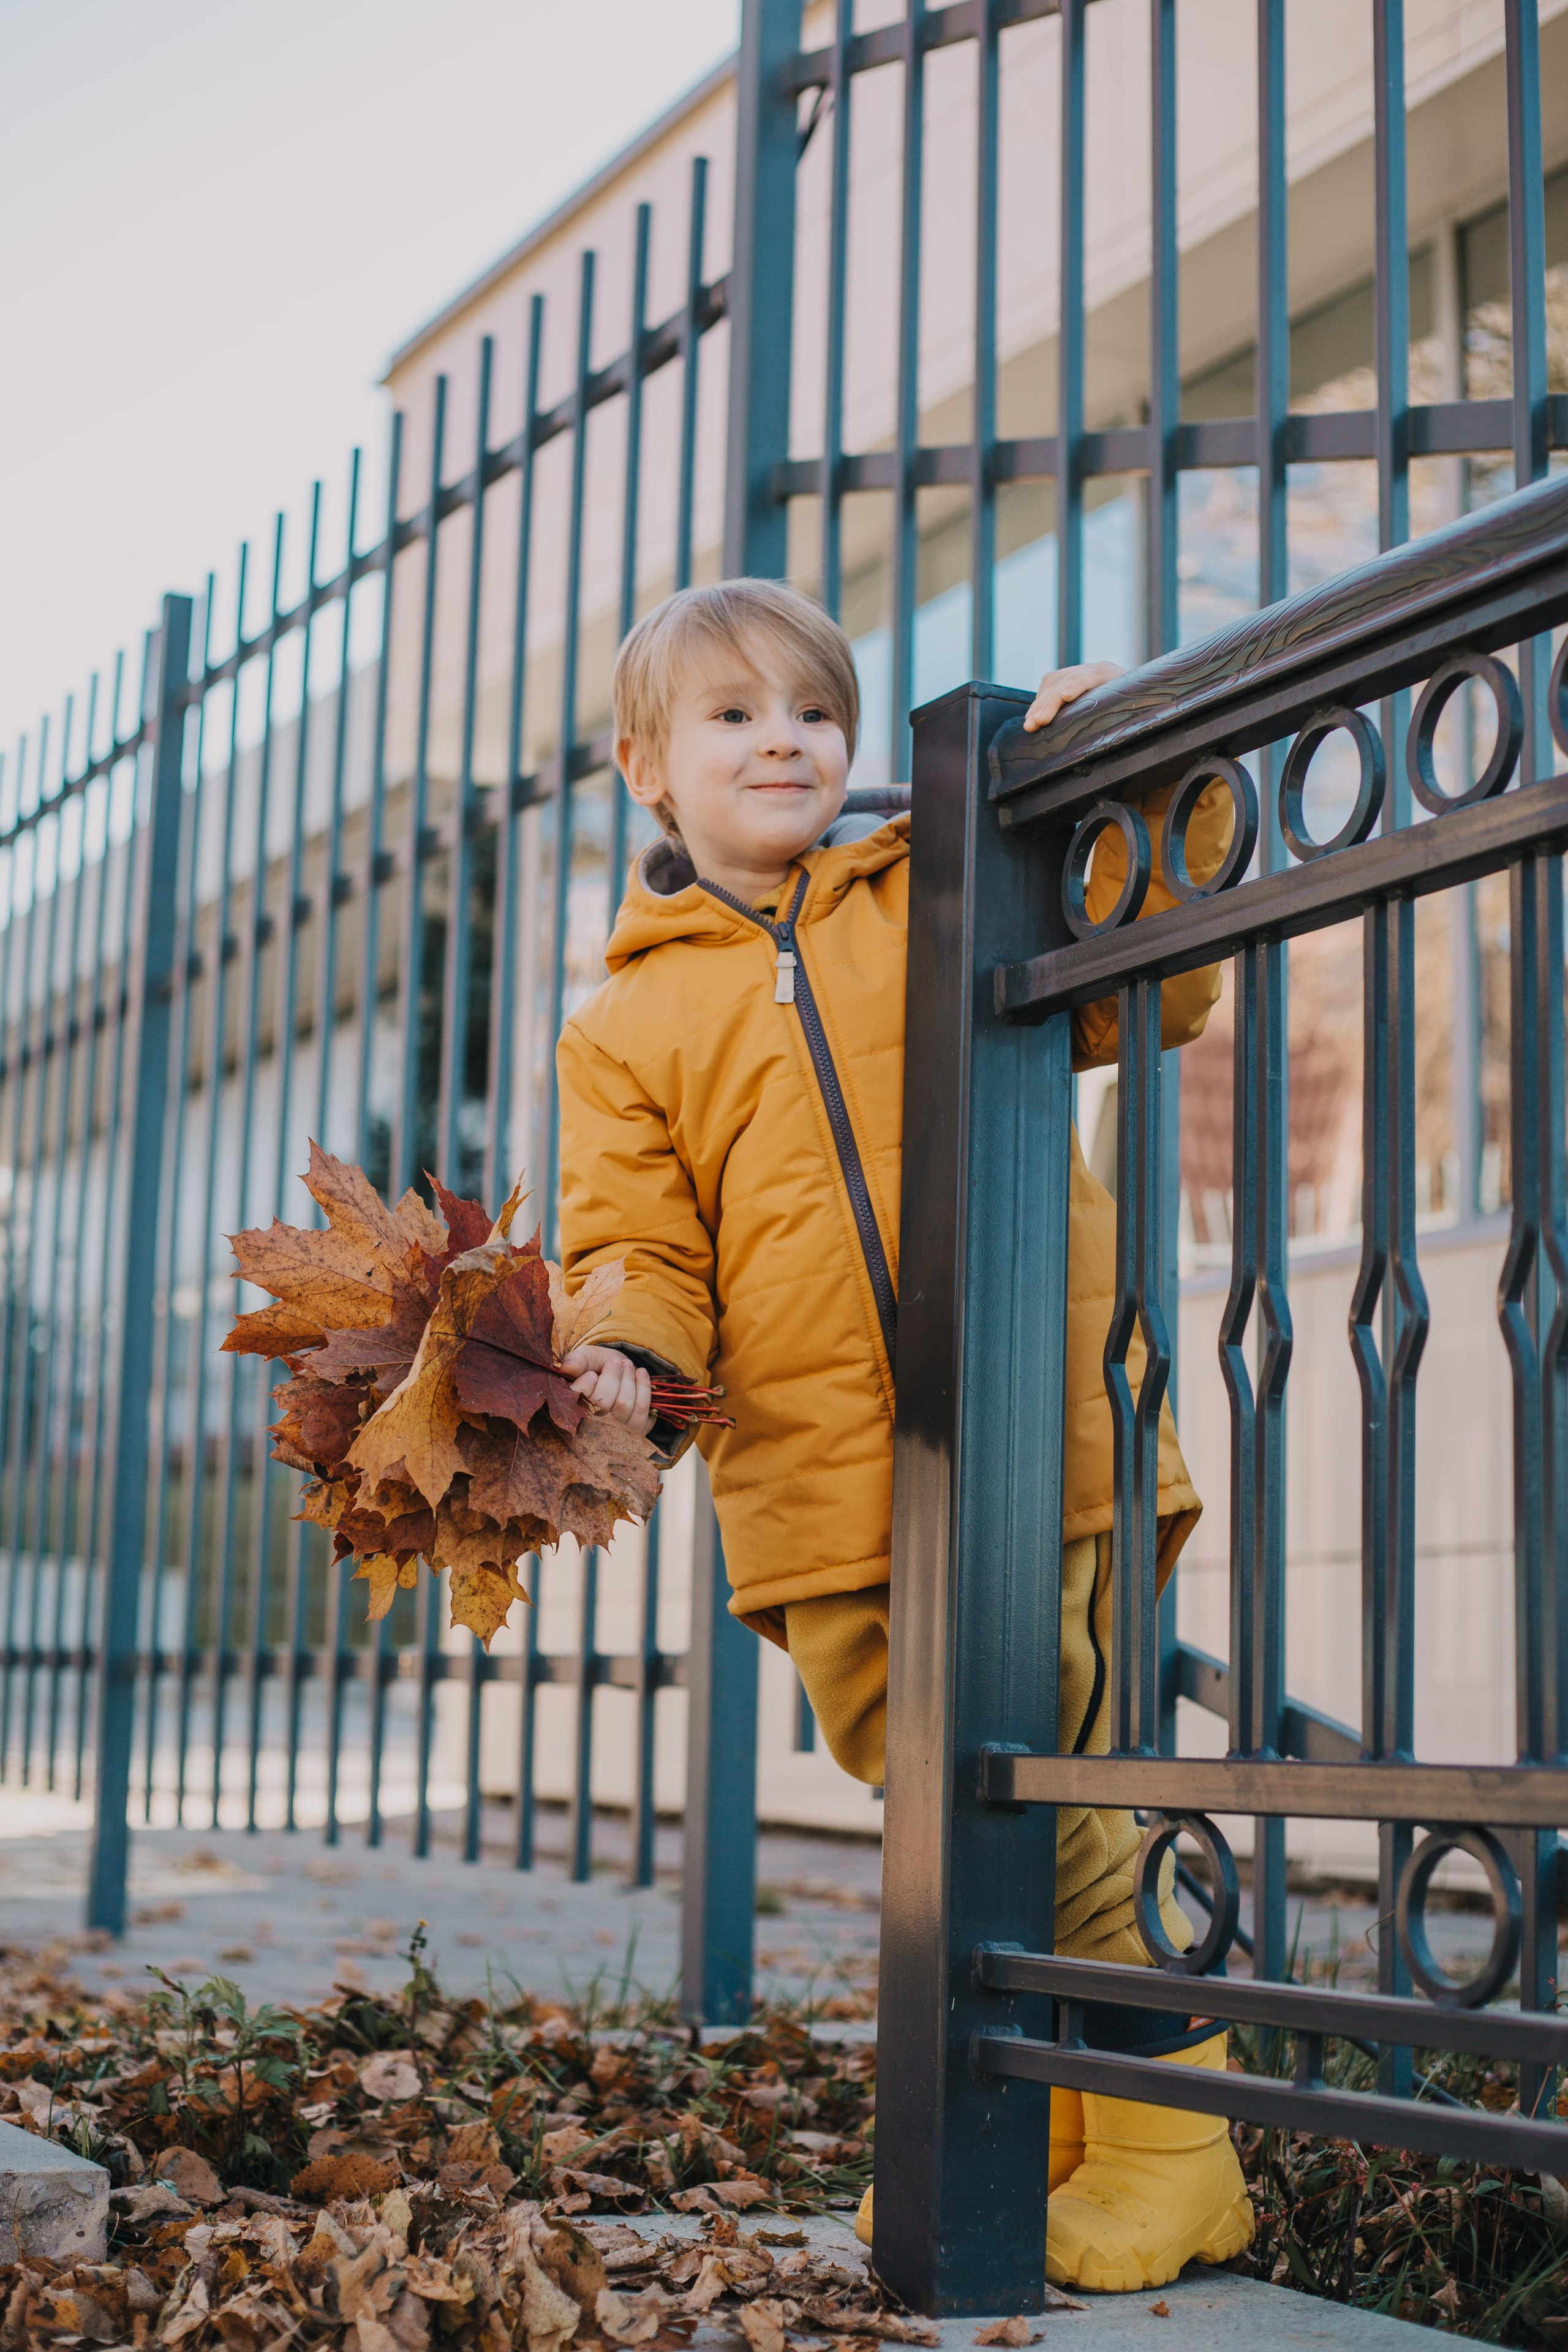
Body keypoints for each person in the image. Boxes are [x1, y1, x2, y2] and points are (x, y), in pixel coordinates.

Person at [554, 578, 1253, 2295]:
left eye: (814, 707)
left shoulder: (932, 897)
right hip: (823, 1484)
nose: (785, 735)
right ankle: (1054, 2129)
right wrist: (631, 1340)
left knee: (1051, 1789)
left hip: (1031, 1419)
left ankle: (1180, 2151)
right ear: (650, 767)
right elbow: (629, 1237)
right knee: (939, 1807)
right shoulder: (625, 1026)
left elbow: (1139, 990)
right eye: (735, 714)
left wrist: (1144, 778)